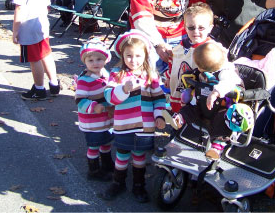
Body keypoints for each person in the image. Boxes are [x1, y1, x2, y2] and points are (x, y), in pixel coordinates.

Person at [102, 30, 166, 203]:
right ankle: (118, 182)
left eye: (138, 55)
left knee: (139, 156)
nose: (133, 60)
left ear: (145, 55)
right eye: (129, 55)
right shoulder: (117, 74)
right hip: (124, 125)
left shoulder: (151, 76)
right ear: (122, 55)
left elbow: (159, 99)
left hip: (145, 127)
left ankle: (139, 185)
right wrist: (123, 89)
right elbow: (109, 98)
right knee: (122, 154)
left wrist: (159, 116)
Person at [165, 42, 243, 160]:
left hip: (221, 107)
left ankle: (217, 146)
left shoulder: (226, 72)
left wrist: (216, 92)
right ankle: (179, 118)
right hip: (202, 104)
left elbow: (229, 83)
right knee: (189, 109)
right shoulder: (202, 71)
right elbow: (193, 76)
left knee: (222, 120)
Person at [12, 0, 60, 100]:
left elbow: (18, 8)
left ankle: (39, 88)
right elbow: (47, 5)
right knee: (46, 53)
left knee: (35, 59)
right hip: (42, 24)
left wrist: (15, 31)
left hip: (28, 25)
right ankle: (54, 83)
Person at [165, 3, 222, 113]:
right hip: (178, 91)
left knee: (192, 118)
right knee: (177, 115)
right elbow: (173, 63)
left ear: (210, 28)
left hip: (197, 96)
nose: (195, 31)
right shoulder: (179, 48)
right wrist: (168, 77)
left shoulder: (212, 49)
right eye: (191, 28)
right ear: (185, 27)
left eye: (201, 28)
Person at [75, 38, 115, 180]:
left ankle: (107, 164)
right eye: (90, 60)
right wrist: (93, 106)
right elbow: (79, 100)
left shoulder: (106, 74)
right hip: (92, 121)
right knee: (94, 146)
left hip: (106, 118)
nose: (95, 63)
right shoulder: (84, 80)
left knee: (106, 141)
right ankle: (93, 170)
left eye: (99, 59)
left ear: (105, 59)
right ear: (85, 62)